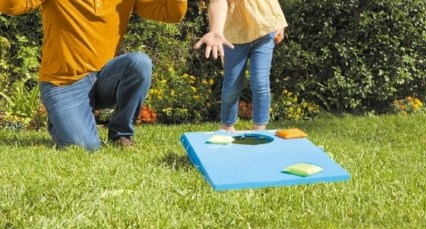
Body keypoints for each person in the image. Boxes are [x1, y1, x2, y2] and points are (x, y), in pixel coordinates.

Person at [0, 0, 187, 150]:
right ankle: (59, 120)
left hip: (104, 78)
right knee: (85, 147)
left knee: (139, 63)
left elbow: (170, 13)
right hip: (64, 83)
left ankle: (121, 135)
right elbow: (11, 6)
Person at [194, 0, 287, 132]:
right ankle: (227, 127)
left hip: (265, 28)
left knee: (260, 82)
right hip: (234, 35)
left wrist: (279, 21)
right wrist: (215, 30)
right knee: (231, 86)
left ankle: (260, 130)